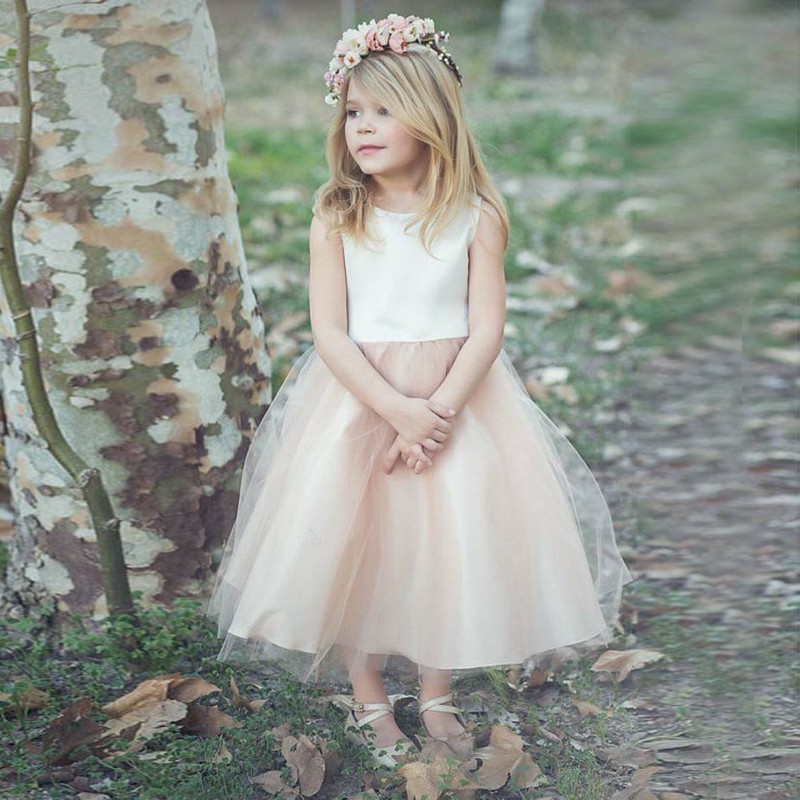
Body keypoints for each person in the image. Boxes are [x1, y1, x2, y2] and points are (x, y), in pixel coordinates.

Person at [205, 13, 634, 769]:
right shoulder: (338, 213)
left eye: (383, 111)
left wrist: (435, 414)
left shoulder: (475, 215)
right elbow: (330, 333)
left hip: (459, 401)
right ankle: (368, 690)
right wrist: (396, 409)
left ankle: (435, 690)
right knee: (357, 542)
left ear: (431, 118)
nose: (362, 127)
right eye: (353, 111)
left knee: (447, 539)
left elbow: (486, 329)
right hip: (359, 400)